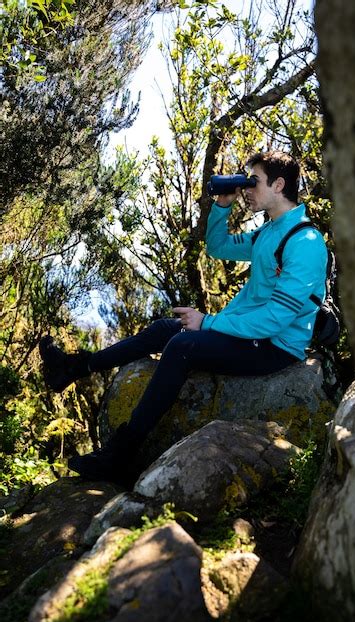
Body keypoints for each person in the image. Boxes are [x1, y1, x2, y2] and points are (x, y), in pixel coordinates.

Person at [39, 150, 327, 485]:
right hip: (252, 333)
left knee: (182, 345)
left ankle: (120, 454)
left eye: (254, 182)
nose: (247, 189)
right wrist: (222, 206)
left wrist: (208, 322)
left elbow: (276, 320)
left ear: (279, 185)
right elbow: (218, 247)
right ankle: (76, 367)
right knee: (166, 328)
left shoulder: (305, 241)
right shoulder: (270, 232)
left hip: (275, 346)